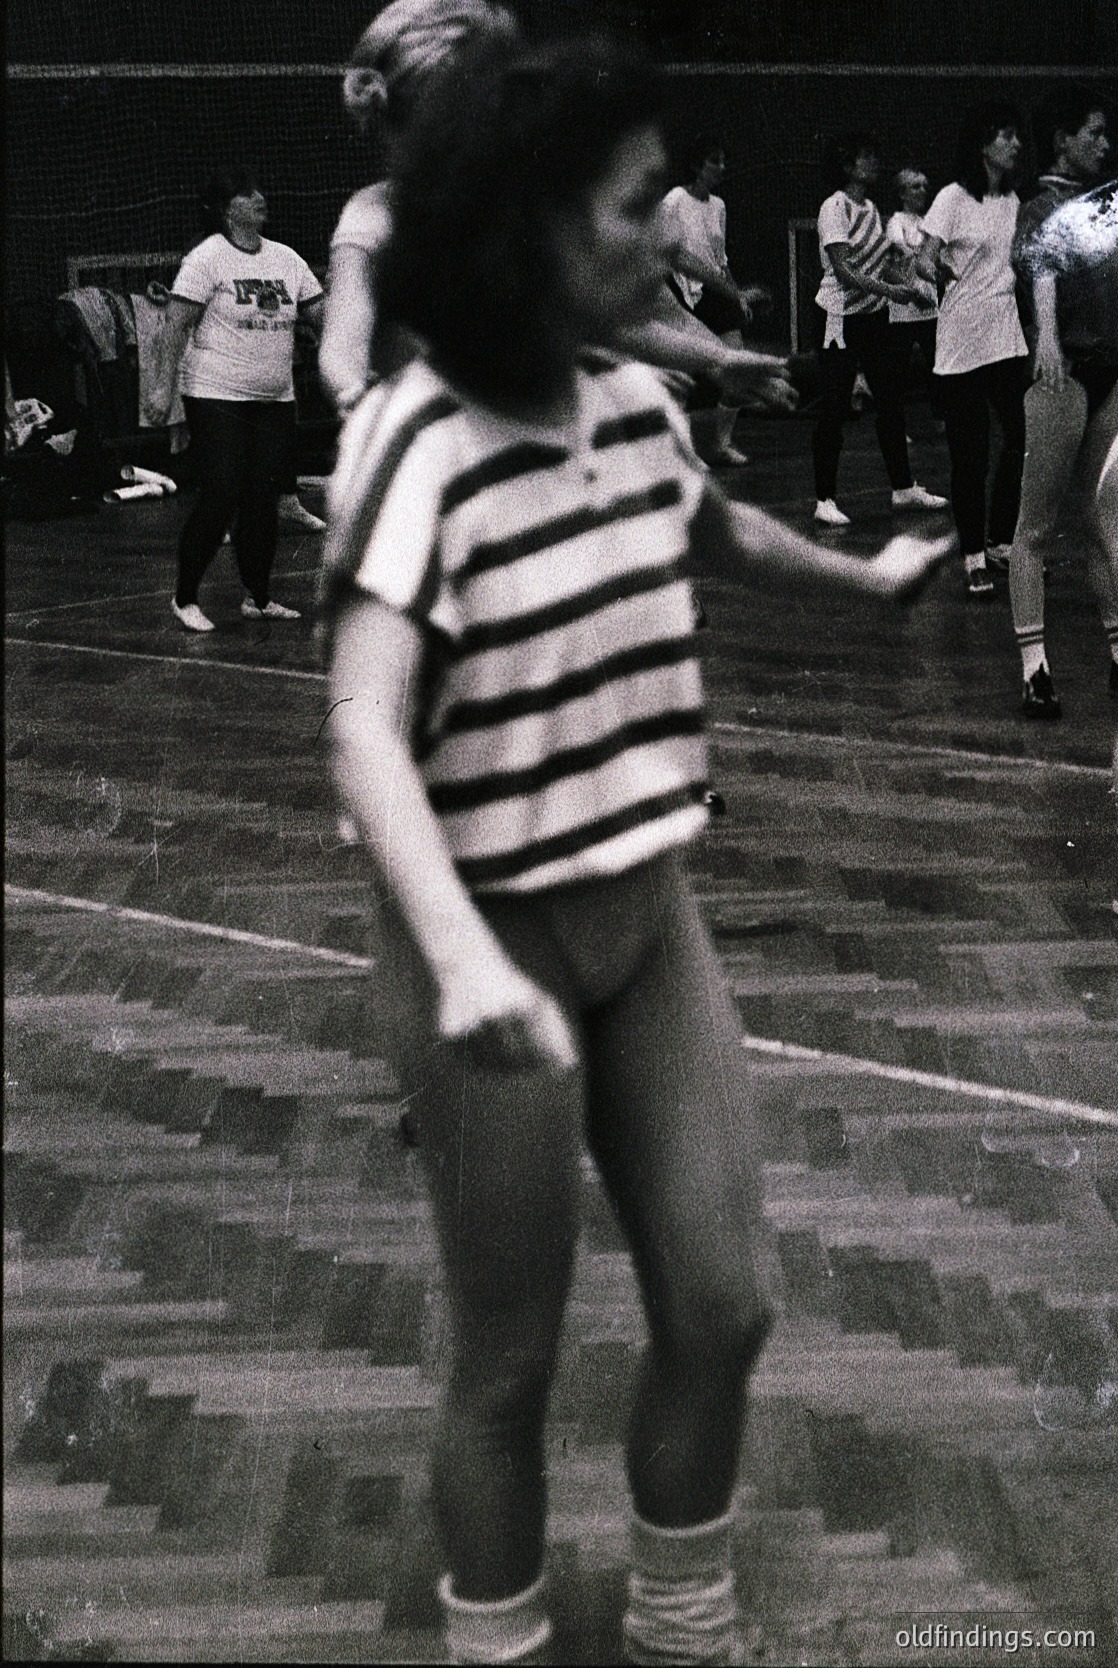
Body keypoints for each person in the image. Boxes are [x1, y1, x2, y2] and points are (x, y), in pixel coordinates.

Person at [321, 36, 949, 1666]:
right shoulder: (417, 441)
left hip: (645, 911)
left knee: (725, 1300)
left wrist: (854, 575)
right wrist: (456, 956)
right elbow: (364, 727)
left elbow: (705, 525)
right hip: (495, 940)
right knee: (508, 1361)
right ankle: (502, 1639)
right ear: (527, 230)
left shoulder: (630, 400)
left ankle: (685, 1617)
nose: (664, 232)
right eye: (633, 205)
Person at [317, 2, 796, 424]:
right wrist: (353, 392)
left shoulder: (517, 210)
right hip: (446, 456)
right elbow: (345, 332)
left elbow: (618, 318)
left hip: (530, 448)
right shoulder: (375, 217)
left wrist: (713, 358)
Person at [150, 167, 324, 632]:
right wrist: (161, 389)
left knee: (263, 499)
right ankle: (185, 597)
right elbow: (174, 326)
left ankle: (259, 597)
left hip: (274, 398)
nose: (260, 198)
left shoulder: (286, 259)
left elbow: (321, 316)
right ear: (228, 210)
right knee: (222, 491)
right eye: (248, 195)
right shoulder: (207, 258)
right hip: (216, 395)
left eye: (259, 191)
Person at [1008, 93, 1117, 717]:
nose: (1104, 144)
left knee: (1103, 522)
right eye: (1094, 132)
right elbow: (1044, 268)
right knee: (1037, 527)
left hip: (1110, 374)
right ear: (1062, 138)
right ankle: (1035, 669)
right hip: (1065, 376)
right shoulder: (1042, 205)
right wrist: (1046, 336)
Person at [919, 103, 1030, 596]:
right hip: (963, 342)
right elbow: (923, 260)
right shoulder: (952, 197)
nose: (1016, 145)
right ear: (984, 143)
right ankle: (972, 556)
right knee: (971, 455)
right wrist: (940, 271)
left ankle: (1002, 542)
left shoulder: (1011, 200)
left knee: (1022, 441)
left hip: (1006, 338)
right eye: (1006, 136)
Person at [812, 132, 948, 527]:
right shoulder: (833, 207)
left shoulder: (872, 209)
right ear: (847, 166)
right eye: (864, 156)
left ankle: (903, 488)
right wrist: (894, 290)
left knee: (891, 400)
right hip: (836, 318)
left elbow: (880, 265)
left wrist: (913, 284)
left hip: (872, 317)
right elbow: (844, 271)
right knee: (835, 407)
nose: (873, 163)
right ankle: (824, 497)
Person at [659, 137, 769, 465]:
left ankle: (722, 443)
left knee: (736, 362)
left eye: (723, 161)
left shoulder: (718, 206)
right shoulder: (675, 199)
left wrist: (737, 296)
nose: (721, 168)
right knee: (683, 377)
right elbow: (673, 254)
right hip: (679, 292)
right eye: (713, 161)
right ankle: (685, 453)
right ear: (696, 165)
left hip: (715, 292)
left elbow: (720, 259)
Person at [885, 168, 942, 420]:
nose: (922, 191)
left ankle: (942, 418)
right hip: (904, 312)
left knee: (937, 366)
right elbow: (900, 255)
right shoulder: (896, 223)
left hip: (930, 308)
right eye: (915, 187)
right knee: (897, 373)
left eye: (924, 186)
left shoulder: (927, 223)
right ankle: (896, 423)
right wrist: (914, 292)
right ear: (902, 194)